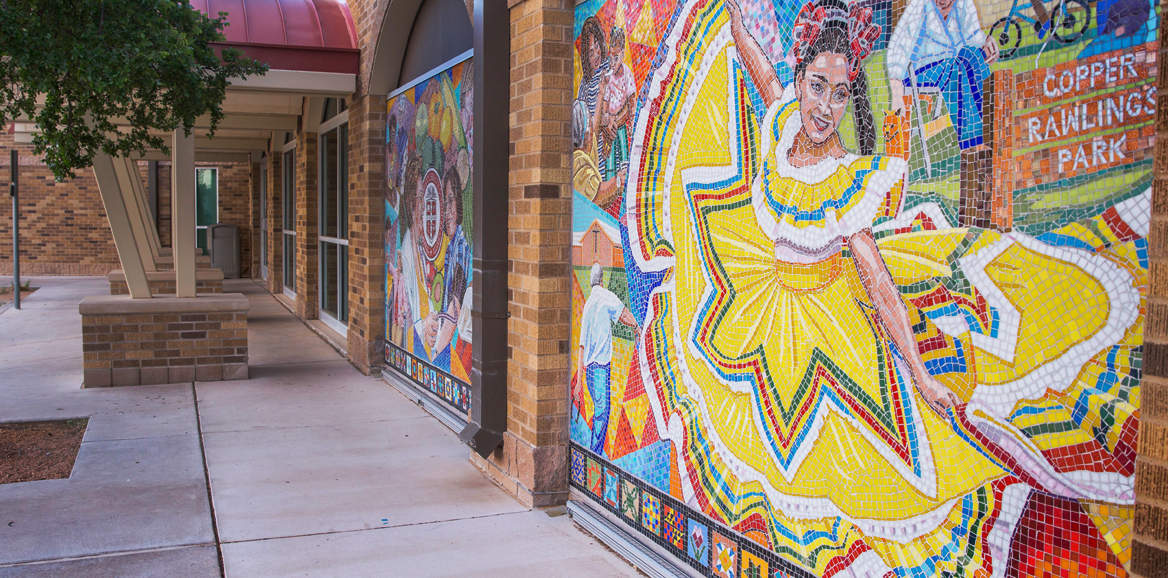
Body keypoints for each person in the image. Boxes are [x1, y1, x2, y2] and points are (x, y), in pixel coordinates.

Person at [621, 0, 1141, 570]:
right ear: (801, 81)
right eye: (817, 87)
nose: (824, 108)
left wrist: (920, 376)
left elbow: (879, 285)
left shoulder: (846, 178)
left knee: (864, 464)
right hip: (765, 301)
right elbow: (763, 74)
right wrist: (736, 27)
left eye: (840, 94)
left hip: (832, 317)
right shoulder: (781, 120)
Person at [885, 0, 997, 225]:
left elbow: (973, 35)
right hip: (922, 71)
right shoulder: (919, 6)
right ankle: (974, 145)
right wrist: (897, 96)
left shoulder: (963, 5)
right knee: (957, 70)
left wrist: (987, 42)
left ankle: (990, 134)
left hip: (954, 66)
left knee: (973, 59)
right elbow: (898, 50)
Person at [575, 263, 637, 456]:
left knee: (599, 411)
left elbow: (581, 347)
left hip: (590, 371)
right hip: (601, 368)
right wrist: (636, 327)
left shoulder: (587, 306)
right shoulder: (604, 296)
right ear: (601, 280)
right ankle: (594, 455)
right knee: (602, 413)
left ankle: (595, 452)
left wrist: (579, 382)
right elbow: (623, 313)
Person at [601, 27, 636, 182]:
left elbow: (632, 98)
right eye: (610, 58)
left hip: (621, 123)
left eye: (616, 58)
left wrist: (632, 120)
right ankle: (609, 180)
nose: (612, 63)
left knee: (623, 153)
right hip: (611, 123)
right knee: (609, 155)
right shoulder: (609, 77)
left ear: (622, 53)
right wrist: (605, 117)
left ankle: (625, 182)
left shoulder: (627, 73)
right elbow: (605, 101)